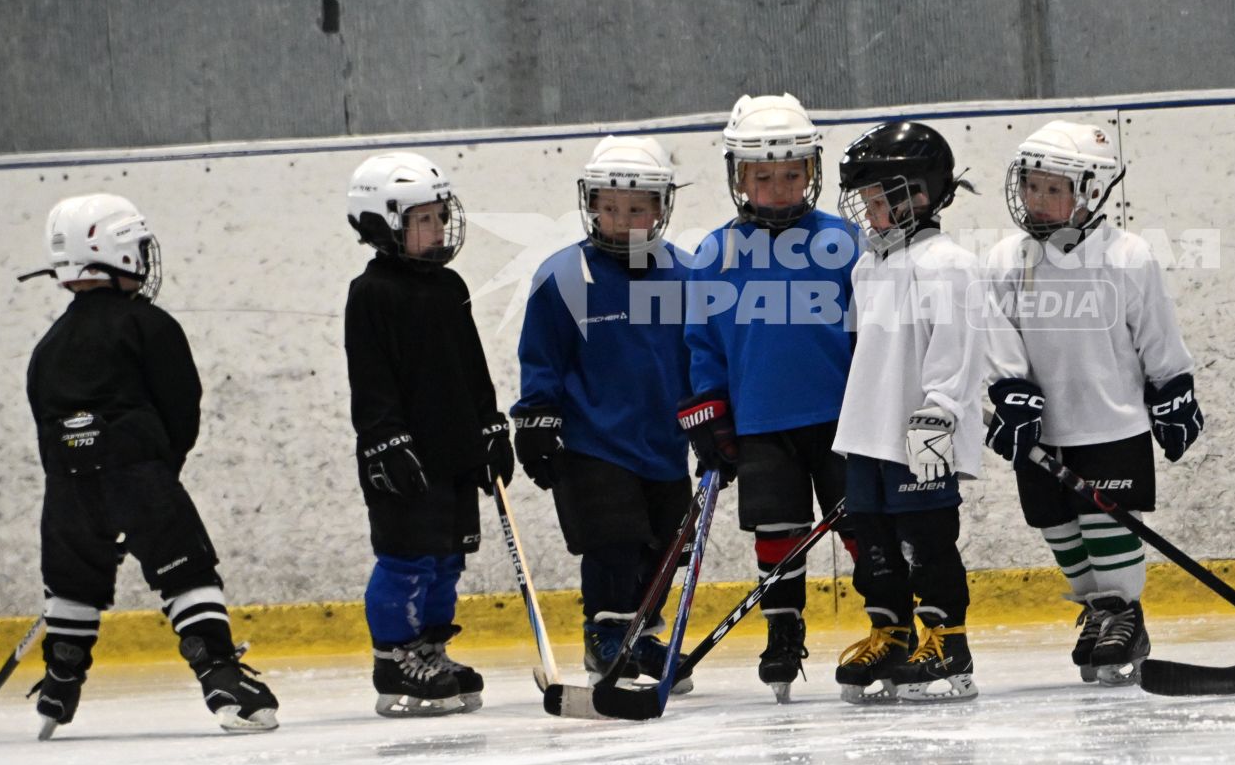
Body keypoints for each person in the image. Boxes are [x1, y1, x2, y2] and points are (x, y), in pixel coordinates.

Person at [22, 193, 279, 738]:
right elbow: (182, 408)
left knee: (73, 583)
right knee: (186, 574)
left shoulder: (48, 345)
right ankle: (221, 677)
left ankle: (59, 682)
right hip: (139, 473)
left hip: (66, 485)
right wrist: (158, 474)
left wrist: (85, 487)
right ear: (116, 252)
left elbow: (45, 422)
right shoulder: (149, 324)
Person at [982, 121, 1202, 684]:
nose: (1038, 199)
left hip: (1112, 422)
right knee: (1059, 528)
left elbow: (1158, 334)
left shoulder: (1128, 256)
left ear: (1092, 191)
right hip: (1043, 429)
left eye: (1054, 189)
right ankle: (1096, 610)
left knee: (1106, 528)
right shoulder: (1008, 259)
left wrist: (1172, 389)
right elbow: (996, 334)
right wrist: (1007, 390)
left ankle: (1124, 612)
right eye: (1031, 186)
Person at [678, 94, 865, 702]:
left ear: (812, 171)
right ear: (739, 176)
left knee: (864, 525)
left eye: (792, 174)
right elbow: (702, 341)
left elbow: (874, 328)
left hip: (844, 419)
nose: (779, 188)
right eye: (763, 176)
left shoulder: (846, 241)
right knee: (777, 530)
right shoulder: (715, 252)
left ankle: (890, 619)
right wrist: (709, 410)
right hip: (761, 421)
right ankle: (783, 630)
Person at [511, 135, 695, 690]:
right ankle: (606, 636)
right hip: (592, 444)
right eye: (610, 207)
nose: (622, 220)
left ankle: (643, 636)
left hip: (664, 444)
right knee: (611, 541)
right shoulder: (564, 274)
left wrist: (719, 417)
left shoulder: (686, 275)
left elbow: (703, 354)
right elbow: (541, 355)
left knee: (665, 547)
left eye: (637, 208)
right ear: (590, 204)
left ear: (661, 207)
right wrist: (536, 416)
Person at [346, 152, 512, 716]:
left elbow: (471, 366)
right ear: (381, 224)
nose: (440, 228)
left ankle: (431, 650)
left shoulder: (448, 286)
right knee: (407, 559)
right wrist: (384, 440)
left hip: (454, 452)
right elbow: (369, 380)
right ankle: (393, 659)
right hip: (402, 458)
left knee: (447, 558)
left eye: (442, 215)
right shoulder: (371, 295)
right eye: (425, 219)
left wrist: (491, 425)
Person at [829, 121, 986, 703]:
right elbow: (867, 353)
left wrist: (941, 410)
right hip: (869, 434)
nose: (869, 211)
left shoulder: (949, 262)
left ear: (919, 194)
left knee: (926, 541)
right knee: (873, 542)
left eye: (879, 199)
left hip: (922, 432)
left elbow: (961, 344)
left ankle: (947, 642)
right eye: (866, 200)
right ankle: (891, 634)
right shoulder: (868, 267)